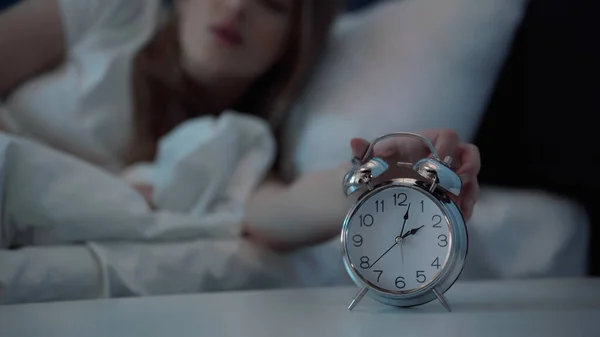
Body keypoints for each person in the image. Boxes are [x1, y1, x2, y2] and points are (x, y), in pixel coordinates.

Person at [0, 0, 480, 252]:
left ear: (291, 45)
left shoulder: (236, 141)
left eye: (272, 2)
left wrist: (376, 179)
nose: (236, 7)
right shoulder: (110, 11)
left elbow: (277, 212)